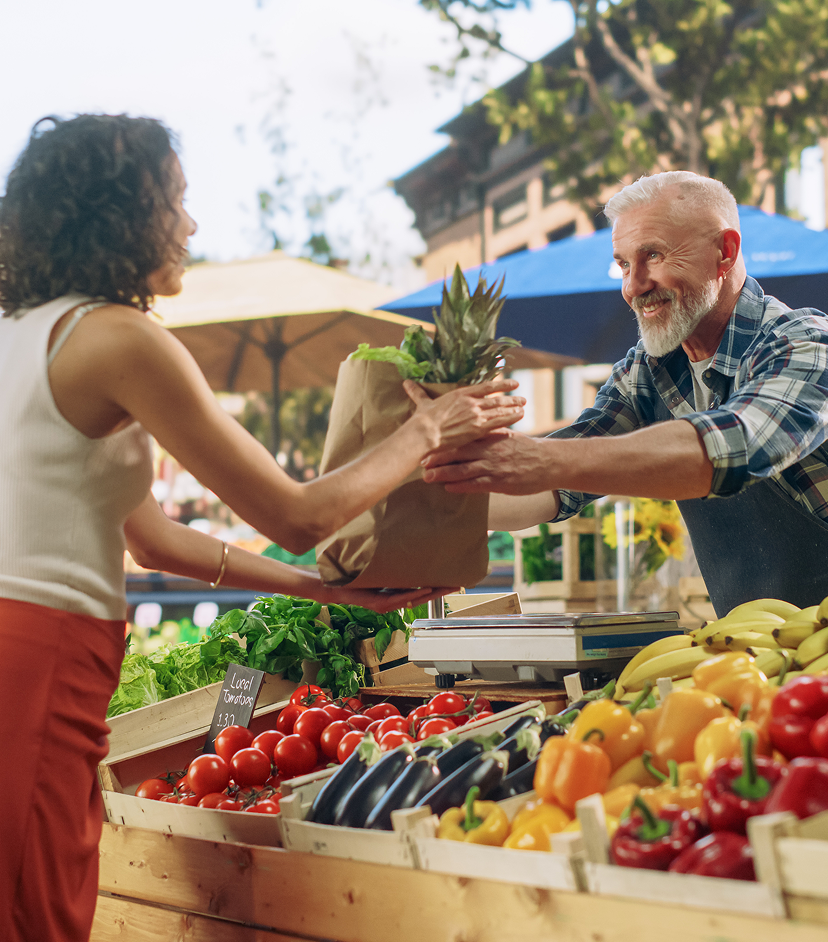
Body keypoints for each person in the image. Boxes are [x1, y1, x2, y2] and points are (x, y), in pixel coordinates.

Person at [0, 113, 524, 942]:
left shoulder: (29, 335)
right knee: (37, 906)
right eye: (174, 200)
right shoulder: (120, 337)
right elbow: (292, 512)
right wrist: (431, 429)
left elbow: (156, 542)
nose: (190, 224)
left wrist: (321, 590)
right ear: (120, 215)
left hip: (29, 647)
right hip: (39, 657)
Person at [423, 170, 828, 617]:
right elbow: (555, 484)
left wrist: (535, 459)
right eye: (622, 264)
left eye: (653, 255)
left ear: (725, 252)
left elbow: (734, 445)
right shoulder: (649, 370)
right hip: (755, 654)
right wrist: (425, 506)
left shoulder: (805, 344)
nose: (633, 286)